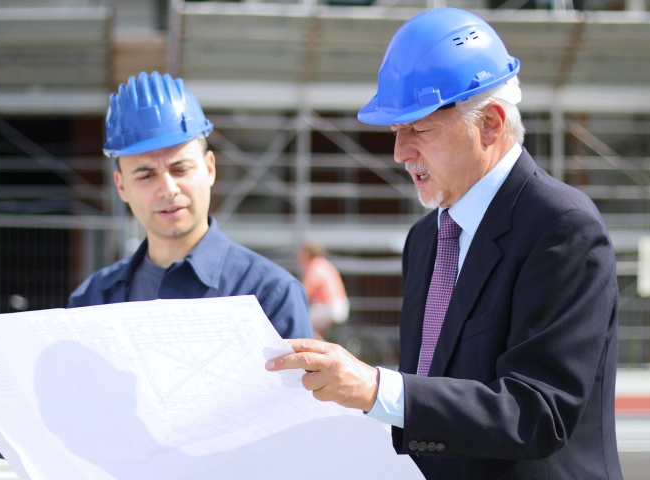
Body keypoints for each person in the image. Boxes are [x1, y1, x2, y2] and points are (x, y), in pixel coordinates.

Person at [266, 8, 622, 479]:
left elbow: (538, 413)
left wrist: (377, 389)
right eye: (396, 131)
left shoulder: (563, 228)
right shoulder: (425, 239)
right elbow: (432, 409)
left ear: (490, 123)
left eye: (419, 129)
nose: (400, 153)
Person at [0, 71, 314, 459]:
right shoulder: (95, 297)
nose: (168, 188)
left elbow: (301, 435)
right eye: (146, 174)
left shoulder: (269, 294)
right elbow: (64, 425)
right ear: (121, 186)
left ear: (210, 168)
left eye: (180, 169)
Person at [297, 241, 349, 338]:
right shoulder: (323, 264)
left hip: (328, 307)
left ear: (307, 253)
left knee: (301, 322)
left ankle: (320, 346)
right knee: (314, 329)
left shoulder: (315, 266)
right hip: (336, 306)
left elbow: (307, 290)